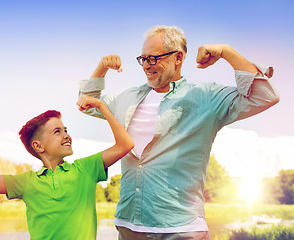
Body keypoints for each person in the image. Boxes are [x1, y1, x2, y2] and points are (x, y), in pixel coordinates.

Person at [78, 25, 280, 239]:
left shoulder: (205, 96)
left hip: (182, 229)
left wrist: (225, 52)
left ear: (178, 58)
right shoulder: (126, 98)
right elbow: (86, 103)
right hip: (129, 226)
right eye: (143, 59)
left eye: (153, 59)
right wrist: (101, 67)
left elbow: (265, 95)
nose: (146, 66)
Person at [0, 95, 134, 240]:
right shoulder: (26, 182)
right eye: (57, 131)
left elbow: (125, 144)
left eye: (65, 129)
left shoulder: (85, 169)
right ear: (38, 146)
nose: (66, 135)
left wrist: (102, 106)